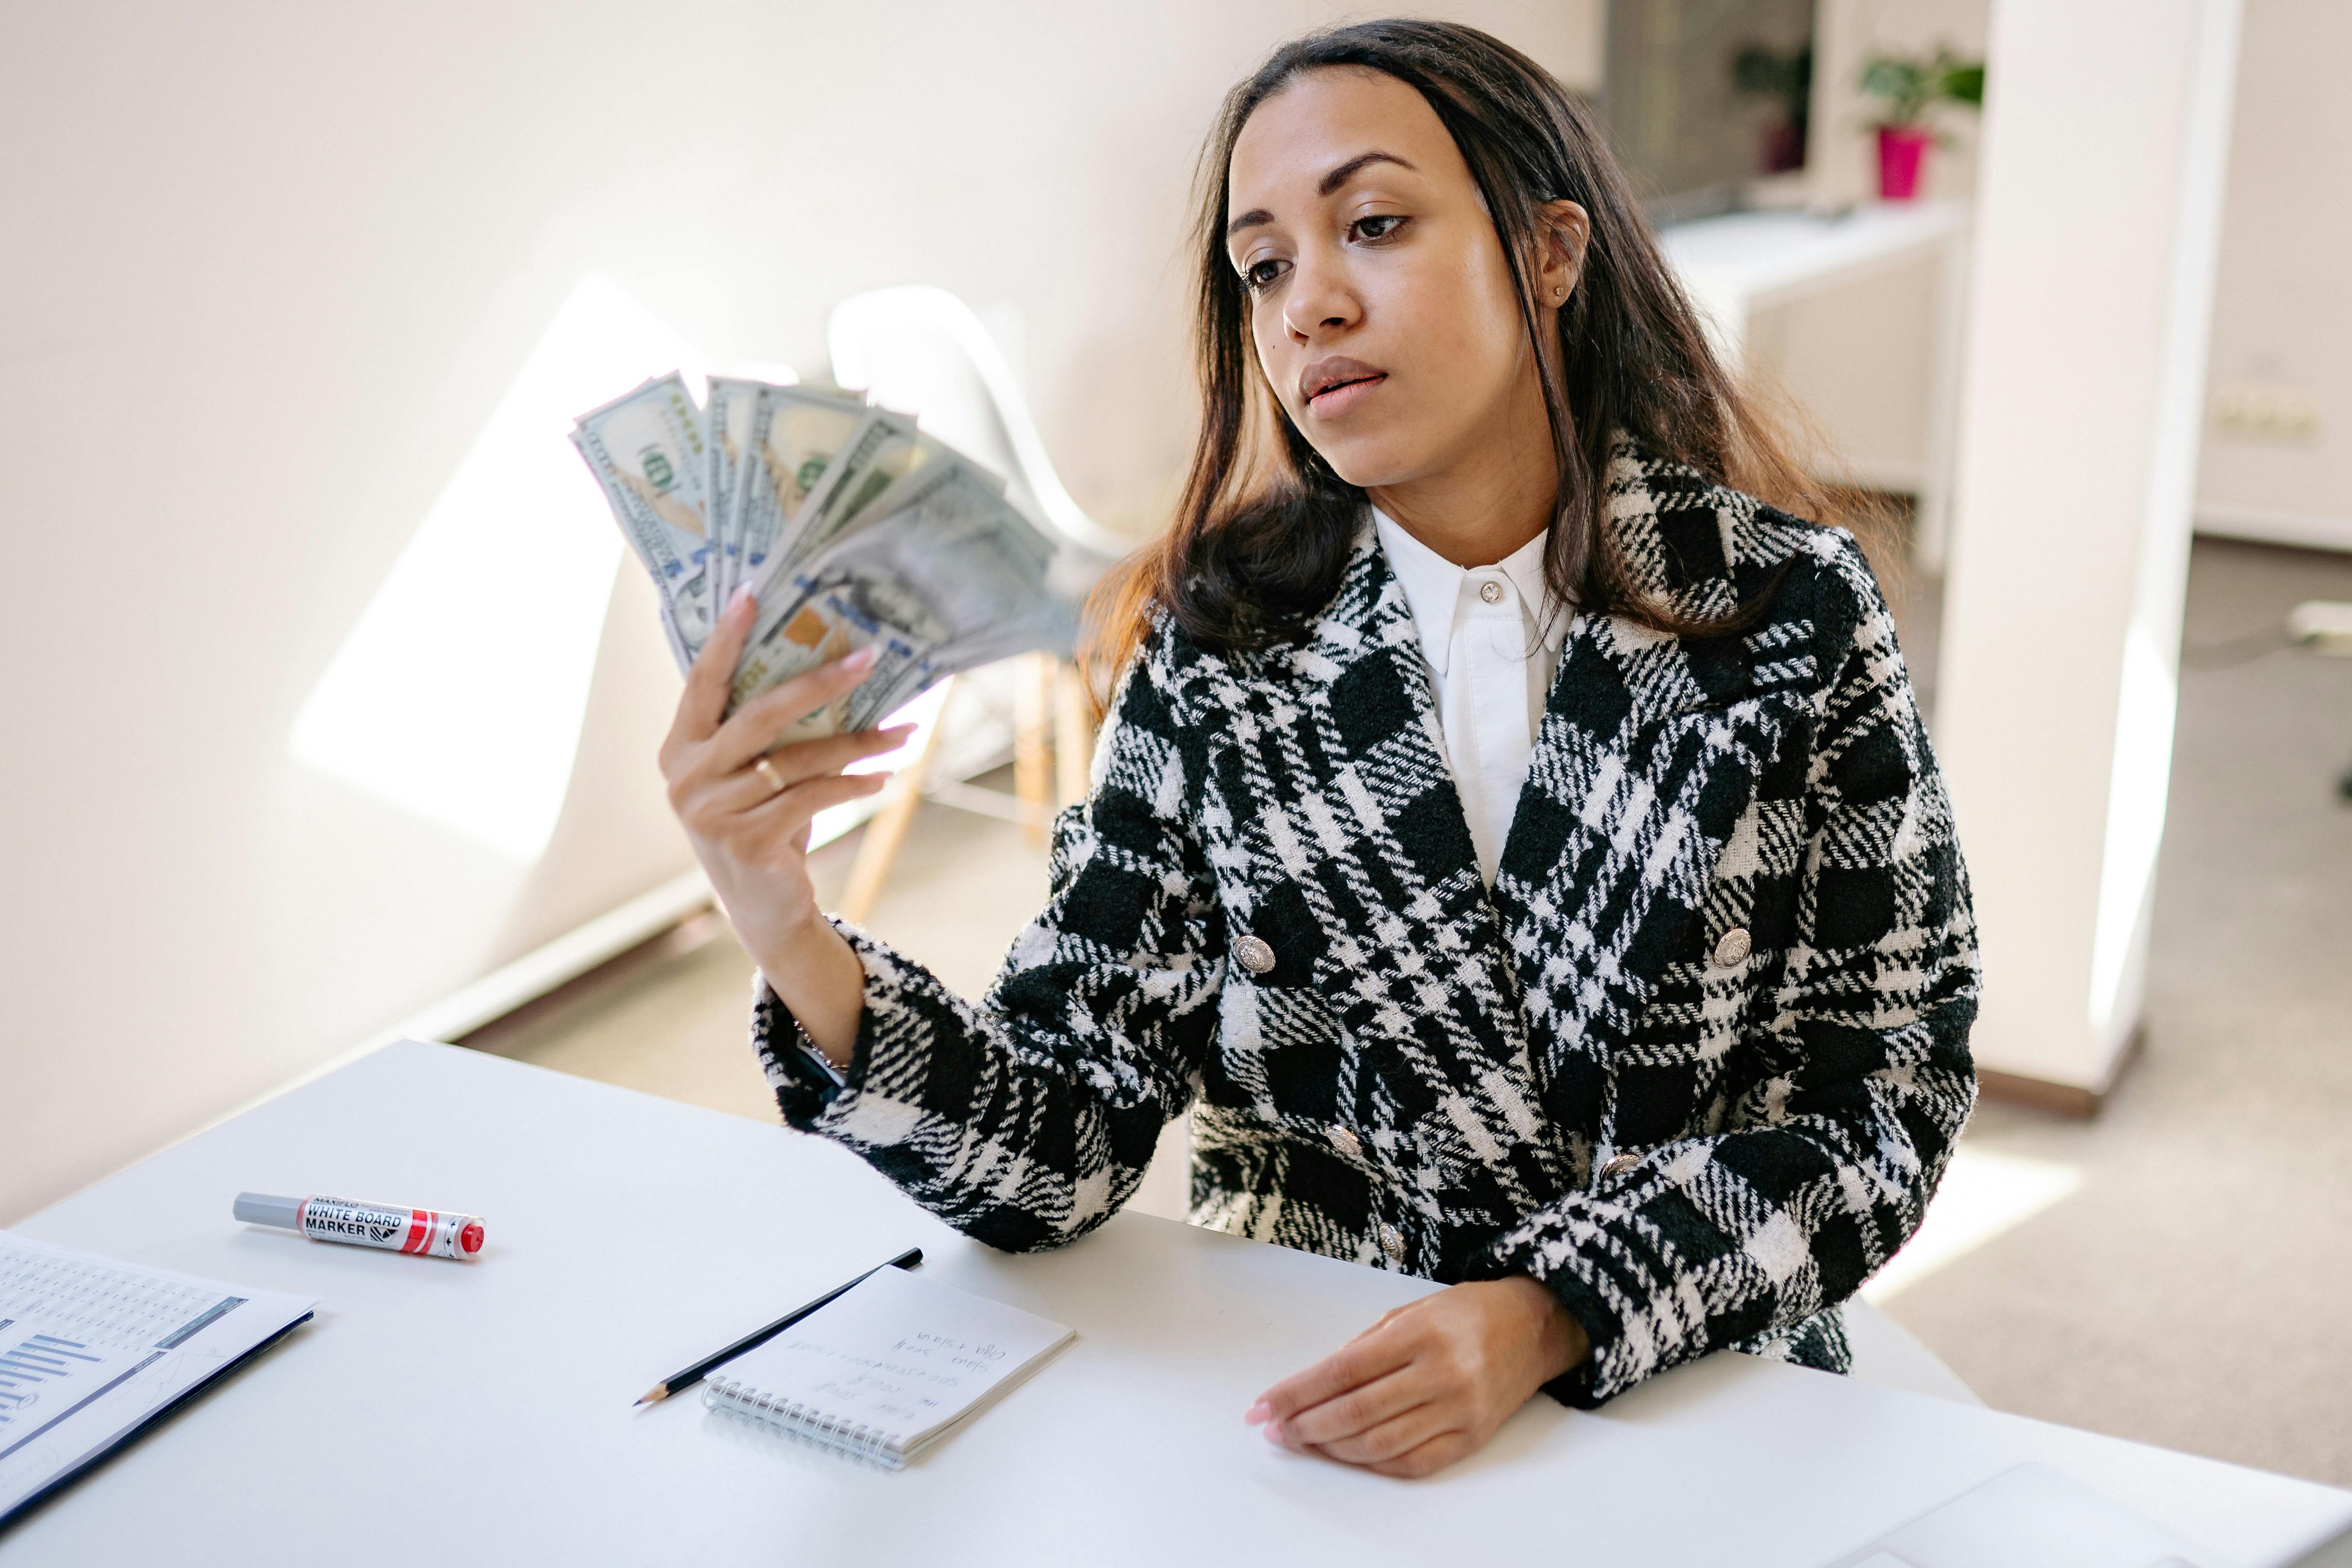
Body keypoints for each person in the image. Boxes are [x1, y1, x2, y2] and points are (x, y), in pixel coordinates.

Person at [659, 19, 1979, 1480]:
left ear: (1550, 251)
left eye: (1375, 224)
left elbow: (1885, 1103)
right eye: (1265, 264)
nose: (1308, 307)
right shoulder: (1222, 639)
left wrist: (1550, 1312)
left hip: (1688, 1387)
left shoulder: (1783, 610)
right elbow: (1062, 1144)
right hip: (1323, 1408)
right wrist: (781, 918)